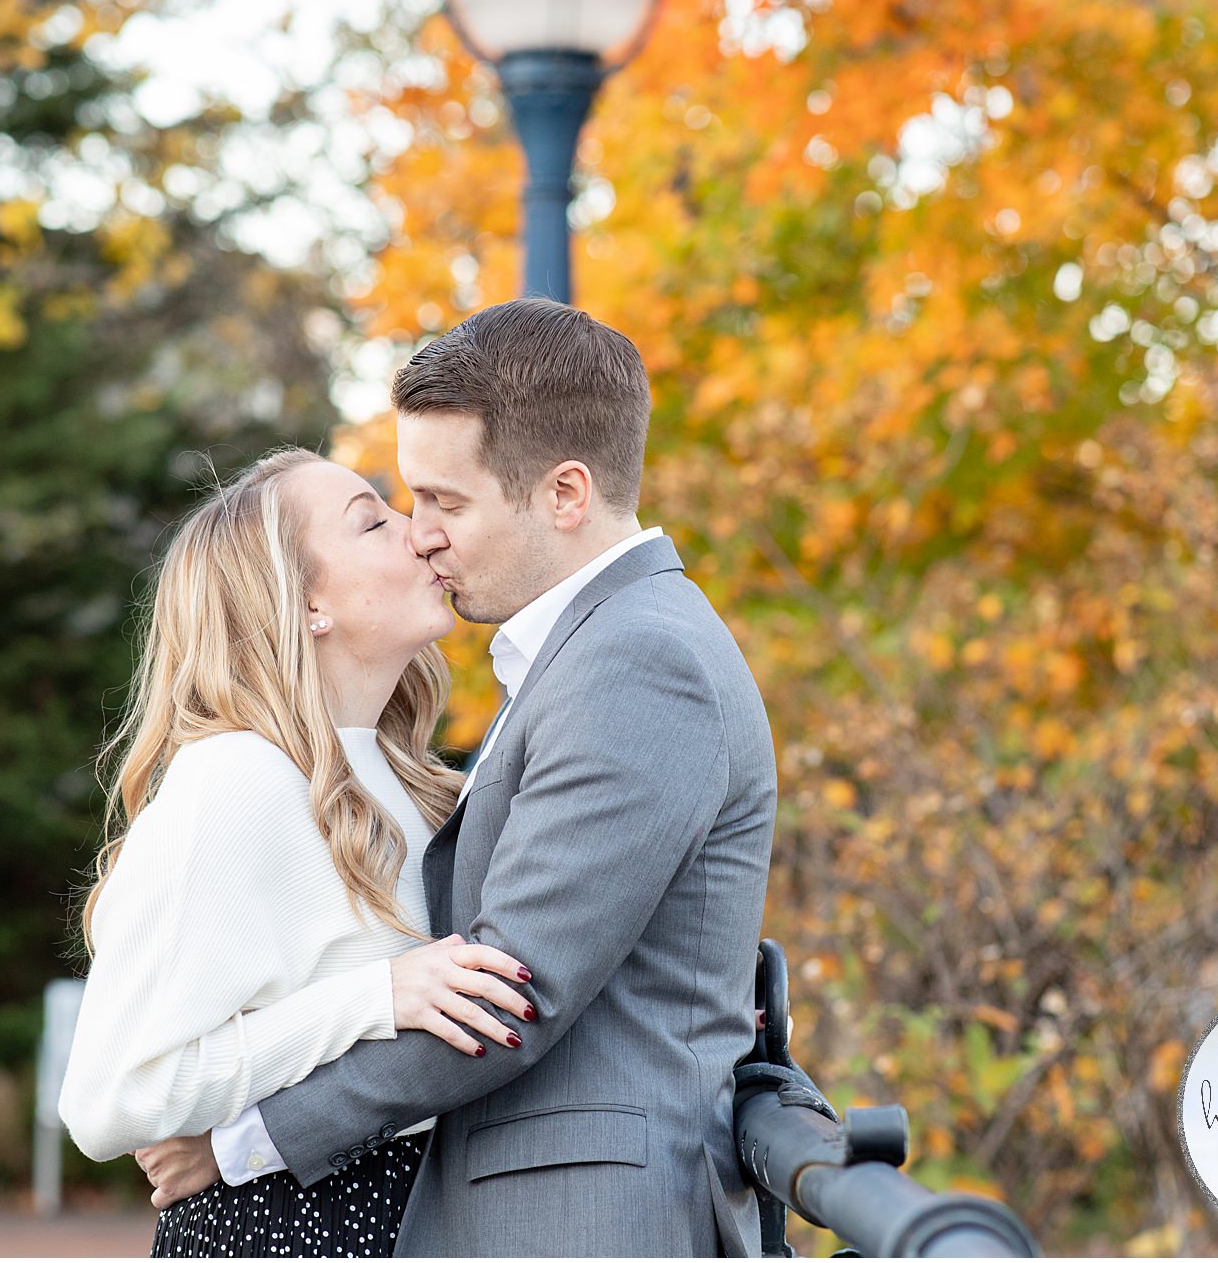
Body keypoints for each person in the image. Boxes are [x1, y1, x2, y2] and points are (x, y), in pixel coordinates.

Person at [140, 297, 779, 1256]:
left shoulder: (638, 661)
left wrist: (240, 1141)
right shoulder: (593, 653)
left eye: (446, 501)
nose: (420, 532)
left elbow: (512, 991)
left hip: (581, 1221)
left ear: (565, 494)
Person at [56, 444, 541, 1257]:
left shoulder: (413, 781)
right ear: (307, 602)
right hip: (286, 1229)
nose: (418, 534)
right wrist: (374, 998)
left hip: (413, 1218)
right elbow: (111, 1098)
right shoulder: (236, 777)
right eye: (373, 522)